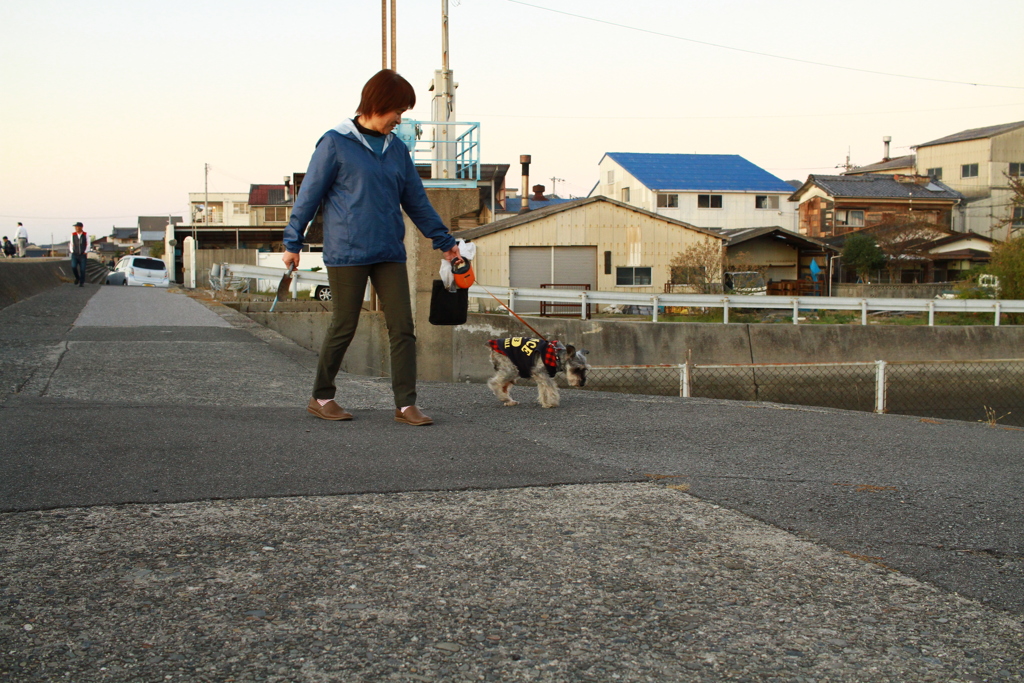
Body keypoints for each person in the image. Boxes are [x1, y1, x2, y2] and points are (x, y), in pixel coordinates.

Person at [282, 69, 460, 427]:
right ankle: (322, 396)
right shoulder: (335, 142)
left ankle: (406, 404)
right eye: (398, 110)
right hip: (347, 251)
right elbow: (309, 196)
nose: (400, 119)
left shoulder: (396, 150)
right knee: (344, 324)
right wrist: (292, 241)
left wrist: (446, 244)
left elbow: (417, 201)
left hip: (388, 251)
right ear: (379, 103)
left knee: (403, 326)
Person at [70, 222, 89, 287]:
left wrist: (86, 251)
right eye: (75, 227)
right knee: (73, 266)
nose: (76, 228)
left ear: (81, 227)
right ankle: (77, 278)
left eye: (77, 227)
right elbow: (71, 243)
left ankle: (82, 282)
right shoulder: (73, 234)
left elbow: (88, 243)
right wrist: (72, 251)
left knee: (82, 269)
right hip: (75, 254)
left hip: (83, 254)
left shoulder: (85, 234)